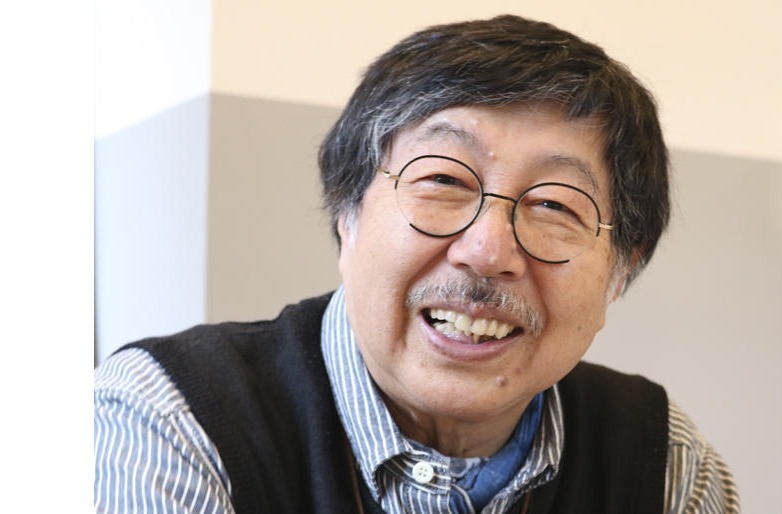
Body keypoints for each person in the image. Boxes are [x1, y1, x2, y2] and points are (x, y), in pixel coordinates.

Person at [95, 14, 739, 514]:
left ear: (621, 270)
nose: (487, 251)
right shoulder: (173, 420)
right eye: (444, 180)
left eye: (554, 205)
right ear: (348, 212)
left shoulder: (665, 465)